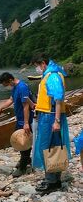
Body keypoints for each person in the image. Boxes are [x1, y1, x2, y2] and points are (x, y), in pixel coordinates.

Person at [31, 54, 71, 194]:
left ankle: (51, 181)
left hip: (51, 116)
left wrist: (57, 121)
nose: (37, 68)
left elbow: (58, 99)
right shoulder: (53, 73)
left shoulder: (52, 75)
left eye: (37, 65)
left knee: (46, 148)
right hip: (49, 114)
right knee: (54, 147)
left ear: (43, 63)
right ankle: (54, 179)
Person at [0, 72, 35, 177]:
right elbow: (11, 99)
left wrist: (26, 123)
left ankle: (22, 167)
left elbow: (26, 106)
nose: (6, 87)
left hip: (25, 120)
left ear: (10, 80)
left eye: (5, 84)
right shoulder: (14, 87)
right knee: (18, 140)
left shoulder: (22, 87)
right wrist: (2, 107)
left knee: (24, 142)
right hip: (20, 119)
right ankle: (27, 159)